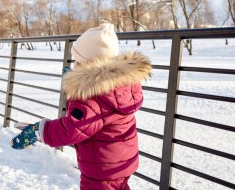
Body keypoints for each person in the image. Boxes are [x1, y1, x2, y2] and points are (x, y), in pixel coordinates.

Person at [10, 23, 152, 190]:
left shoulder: (91, 95)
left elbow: (71, 130)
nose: (75, 66)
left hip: (101, 168)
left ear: (89, 64)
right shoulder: (121, 85)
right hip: (122, 161)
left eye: (78, 61)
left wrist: (40, 130)